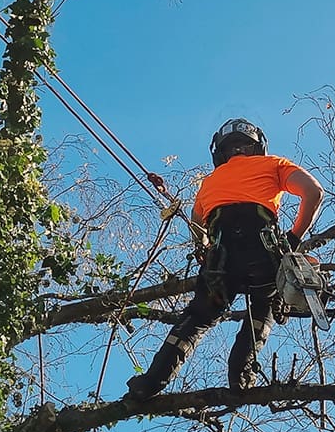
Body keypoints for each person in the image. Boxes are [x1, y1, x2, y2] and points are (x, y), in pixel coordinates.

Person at [126, 118, 324, 401]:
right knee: (264, 307)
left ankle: (151, 381)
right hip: (263, 249)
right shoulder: (274, 165)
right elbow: (314, 192)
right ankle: (241, 378)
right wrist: (293, 239)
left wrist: (205, 251)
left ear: (220, 152)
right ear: (257, 147)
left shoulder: (209, 182)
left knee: (198, 317)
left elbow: (198, 226)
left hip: (221, 255)